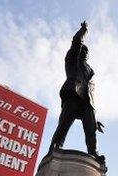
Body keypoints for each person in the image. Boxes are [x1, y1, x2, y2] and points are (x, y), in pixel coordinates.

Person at [48, 21, 104, 163]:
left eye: (87, 52)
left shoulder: (90, 71)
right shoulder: (72, 60)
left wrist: (95, 118)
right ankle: (55, 147)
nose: (85, 52)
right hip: (73, 95)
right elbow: (77, 42)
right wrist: (83, 30)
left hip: (87, 103)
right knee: (64, 125)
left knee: (91, 130)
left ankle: (94, 154)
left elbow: (90, 91)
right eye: (83, 50)